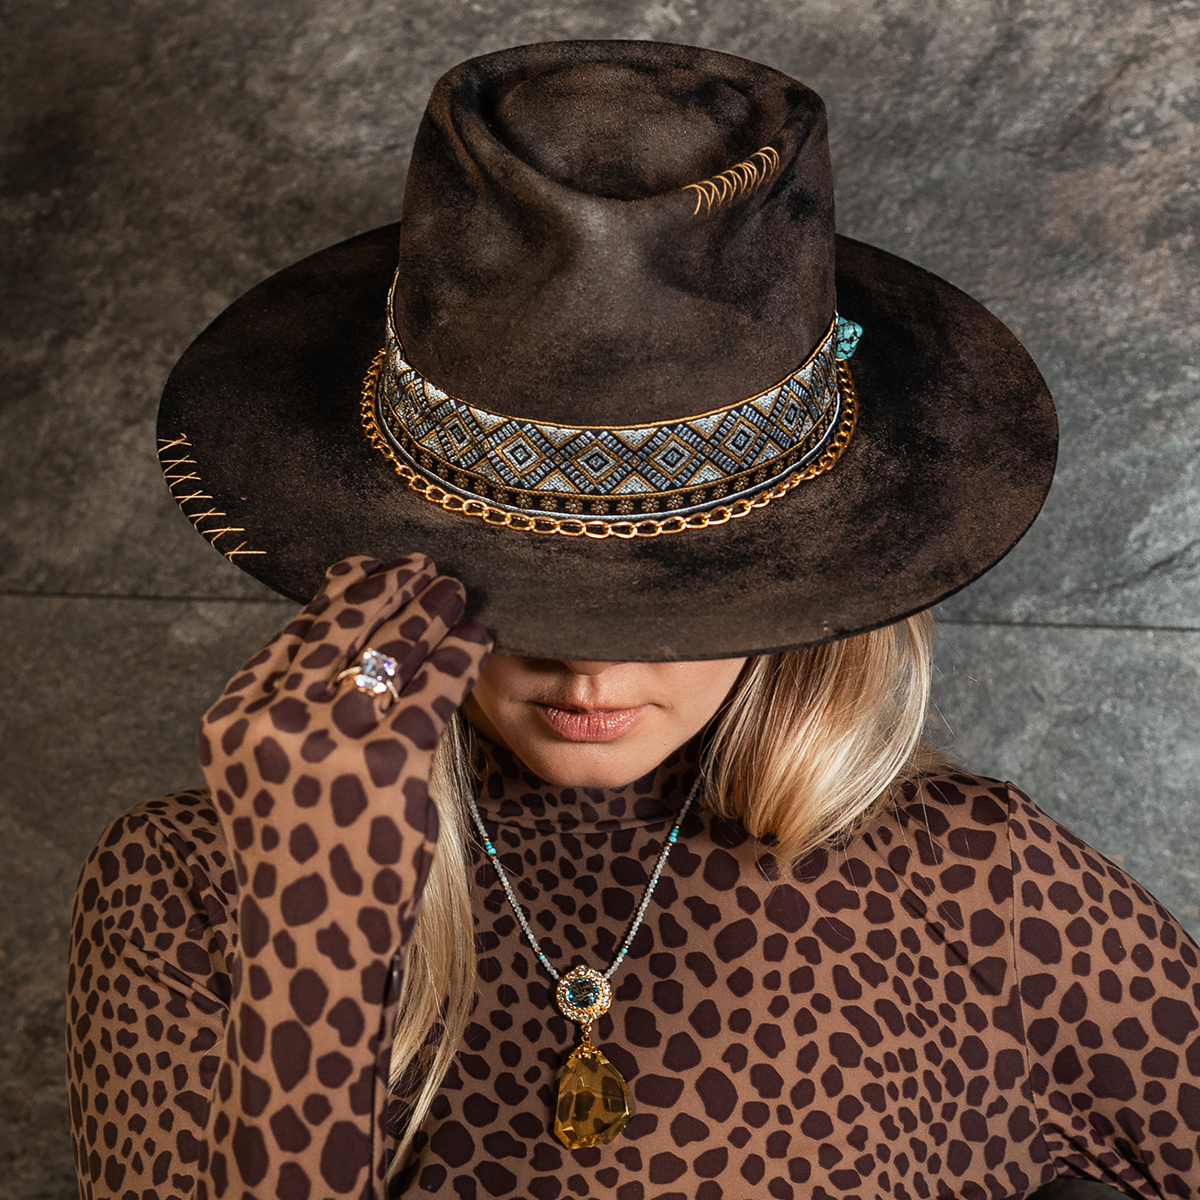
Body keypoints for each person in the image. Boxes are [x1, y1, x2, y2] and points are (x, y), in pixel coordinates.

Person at [66, 39, 1199, 1200]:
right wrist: (311, 943)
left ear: (804, 561)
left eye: (671, 586)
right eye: (520, 583)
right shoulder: (188, 889)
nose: (588, 664)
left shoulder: (983, 888)